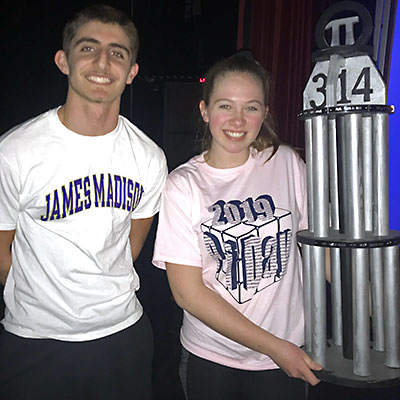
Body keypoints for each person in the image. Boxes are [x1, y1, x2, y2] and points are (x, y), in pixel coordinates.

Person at [0, 5, 167, 399]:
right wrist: (42, 297)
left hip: (121, 336)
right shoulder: (16, 152)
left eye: (118, 53)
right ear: (64, 61)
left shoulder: (147, 156)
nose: (103, 62)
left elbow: (133, 243)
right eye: (88, 48)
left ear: (132, 72)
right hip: (34, 341)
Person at [152, 52, 322, 400]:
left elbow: (320, 250)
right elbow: (188, 293)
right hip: (213, 357)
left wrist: (370, 302)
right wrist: (274, 347)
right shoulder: (183, 184)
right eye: (225, 105)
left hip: (285, 355)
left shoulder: (286, 163)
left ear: (265, 113)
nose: (238, 120)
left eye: (251, 107)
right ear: (205, 110)